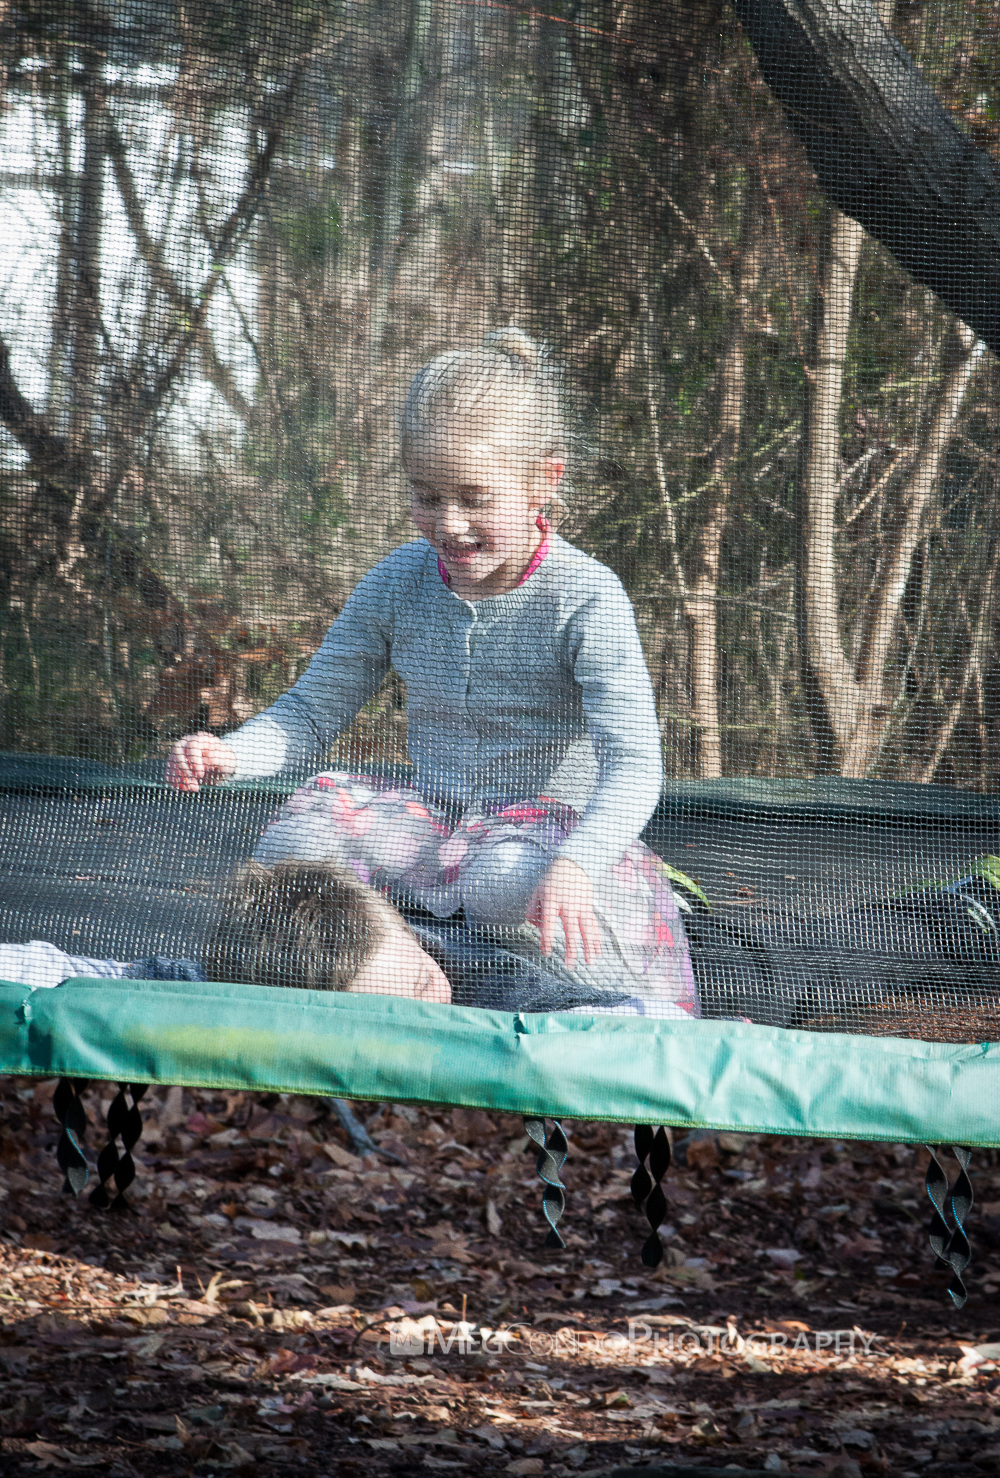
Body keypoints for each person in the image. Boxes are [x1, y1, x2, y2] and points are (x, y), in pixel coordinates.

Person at [166, 329, 696, 1020]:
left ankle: (587, 1005)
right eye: (427, 495)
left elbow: (634, 766)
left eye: (475, 498)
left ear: (543, 482)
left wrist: (578, 862)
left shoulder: (585, 597)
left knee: (503, 881)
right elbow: (311, 712)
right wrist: (232, 753)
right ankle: (368, 987)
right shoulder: (398, 582)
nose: (449, 523)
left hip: (550, 839)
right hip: (439, 826)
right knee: (299, 842)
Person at [0, 858, 452, 1004]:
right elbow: (58, 972)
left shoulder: (479, 975)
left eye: (422, 979)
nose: (435, 1010)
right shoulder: (208, 998)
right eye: (391, 1016)